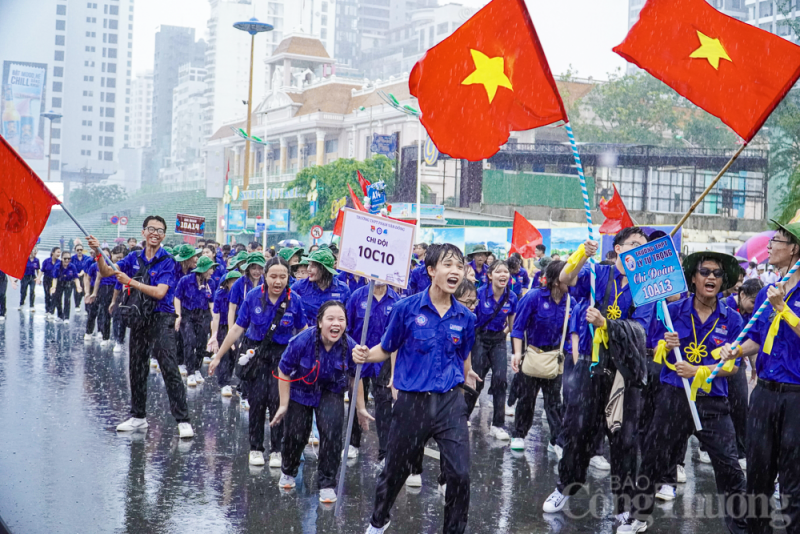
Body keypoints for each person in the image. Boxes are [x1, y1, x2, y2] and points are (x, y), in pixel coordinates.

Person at [353, 243, 478, 534]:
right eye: (448, 265)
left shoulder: (466, 318)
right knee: (394, 471)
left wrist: (468, 371)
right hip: (412, 404)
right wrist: (364, 354)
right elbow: (386, 348)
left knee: (460, 474)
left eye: (459, 266)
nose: (455, 271)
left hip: (450, 403)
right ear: (432, 270)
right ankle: (378, 520)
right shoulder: (405, 308)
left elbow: (462, 354)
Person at [620, 252, 747, 534]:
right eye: (705, 272)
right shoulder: (671, 312)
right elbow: (652, 347)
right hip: (674, 398)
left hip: (713, 402)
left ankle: (741, 527)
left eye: (717, 273)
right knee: (654, 460)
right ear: (693, 278)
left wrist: (699, 372)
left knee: (729, 467)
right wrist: (665, 343)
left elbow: (732, 367)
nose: (711, 277)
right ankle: (638, 516)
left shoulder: (733, 319)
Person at [544, 228, 654, 522]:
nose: (639, 251)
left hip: (625, 374)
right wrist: (582, 253)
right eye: (633, 245)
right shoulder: (599, 275)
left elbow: (640, 330)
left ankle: (624, 506)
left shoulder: (645, 285)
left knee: (625, 441)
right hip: (592, 368)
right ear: (618, 249)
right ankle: (565, 487)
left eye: (643, 247)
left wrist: (607, 324)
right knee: (577, 430)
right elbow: (566, 279)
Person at [721, 221, 800, 534]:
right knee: (758, 473)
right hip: (765, 394)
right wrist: (735, 350)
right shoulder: (769, 290)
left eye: (777, 240)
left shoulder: (781, 297)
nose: (769, 245)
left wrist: (786, 310)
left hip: (796, 396)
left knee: (793, 477)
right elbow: (756, 336)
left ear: (794, 248)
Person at [87, 216, 194, 439]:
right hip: (138, 318)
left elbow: (160, 292)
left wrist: (130, 281)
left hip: (161, 317)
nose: (155, 233)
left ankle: (182, 420)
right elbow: (107, 272)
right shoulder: (133, 257)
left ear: (163, 235)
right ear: (144, 232)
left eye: (160, 230)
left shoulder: (167, 261)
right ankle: (138, 417)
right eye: (151, 229)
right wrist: (98, 253)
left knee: (169, 367)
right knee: (137, 367)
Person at [210, 256, 306, 467]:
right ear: (265, 276)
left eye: (283, 276)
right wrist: (218, 355)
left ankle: (277, 450)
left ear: (288, 277)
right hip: (256, 354)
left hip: (283, 355)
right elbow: (237, 327)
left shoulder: (294, 300)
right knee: (257, 401)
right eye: (273, 276)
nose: (278, 281)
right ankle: (255, 447)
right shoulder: (253, 296)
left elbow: (303, 331)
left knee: (278, 401)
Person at [270, 300, 364, 503]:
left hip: (331, 391)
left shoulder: (350, 346)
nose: (336, 324)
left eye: (341, 319)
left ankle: (327, 483)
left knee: (331, 434)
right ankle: (288, 471)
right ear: (320, 322)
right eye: (330, 319)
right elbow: (284, 370)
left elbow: (356, 377)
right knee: (296, 434)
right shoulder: (302, 340)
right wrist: (284, 404)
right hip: (300, 390)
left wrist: (361, 408)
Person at [510, 260, 572, 452]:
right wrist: (517, 353)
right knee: (526, 399)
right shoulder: (534, 297)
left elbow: (572, 334)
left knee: (554, 403)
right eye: (567, 277)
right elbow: (518, 328)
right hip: (533, 356)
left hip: (555, 358)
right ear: (555, 280)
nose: (571, 281)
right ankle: (519, 434)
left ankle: (556, 441)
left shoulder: (571, 301)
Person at [346, 279, 401, 461]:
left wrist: (395, 370)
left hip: (383, 359)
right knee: (356, 400)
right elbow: (348, 328)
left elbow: (397, 337)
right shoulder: (356, 297)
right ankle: (353, 443)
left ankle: (384, 451)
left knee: (384, 404)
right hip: (360, 356)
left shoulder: (396, 301)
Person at [465, 260, 516, 440]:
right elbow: (470, 321)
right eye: (499, 272)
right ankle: (464, 416)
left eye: (506, 272)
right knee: (476, 379)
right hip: (479, 338)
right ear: (489, 276)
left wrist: (508, 339)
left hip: (499, 340)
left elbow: (512, 325)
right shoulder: (479, 294)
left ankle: (498, 425)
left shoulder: (512, 297)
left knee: (500, 379)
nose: (503, 275)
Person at [175, 256, 218, 387]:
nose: (212, 271)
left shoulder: (211, 283)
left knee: (201, 342)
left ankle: (197, 368)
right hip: (187, 313)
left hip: (203, 314)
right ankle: (190, 372)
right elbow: (177, 298)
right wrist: (178, 315)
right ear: (203, 269)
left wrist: (215, 319)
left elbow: (212, 303)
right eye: (210, 269)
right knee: (189, 341)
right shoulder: (185, 281)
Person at [291, 249, 351, 326]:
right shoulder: (299, 287)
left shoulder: (343, 290)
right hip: (308, 335)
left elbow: (348, 319)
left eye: (313, 266)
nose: (308, 269)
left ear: (324, 269)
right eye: (309, 265)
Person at [207, 270, 242, 397]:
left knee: (237, 355)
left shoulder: (243, 294)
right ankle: (224, 383)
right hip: (223, 326)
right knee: (224, 355)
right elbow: (215, 316)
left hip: (238, 326)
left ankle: (240, 384)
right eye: (233, 281)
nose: (235, 284)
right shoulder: (220, 294)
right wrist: (214, 335)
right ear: (227, 283)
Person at [53, 250, 82, 323]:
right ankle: (60, 315)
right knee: (58, 299)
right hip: (59, 283)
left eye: (69, 259)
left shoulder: (72, 266)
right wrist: (54, 287)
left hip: (68, 283)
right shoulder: (57, 266)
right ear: (62, 258)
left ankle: (66, 317)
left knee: (67, 299)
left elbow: (76, 277)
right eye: (65, 258)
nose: (67, 260)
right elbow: (55, 278)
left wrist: (78, 286)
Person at [71, 244, 93, 314]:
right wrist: (76, 273)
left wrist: (82, 272)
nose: (79, 251)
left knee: (86, 291)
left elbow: (87, 267)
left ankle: (87, 307)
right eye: (78, 250)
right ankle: (77, 305)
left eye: (81, 250)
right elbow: (71, 267)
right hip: (76, 276)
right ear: (75, 250)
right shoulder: (72, 258)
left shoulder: (86, 258)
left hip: (85, 276)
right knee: (77, 291)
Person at [41, 246, 61, 317]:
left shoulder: (60, 262)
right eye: (58, 252)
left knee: (54, 295)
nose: (59, 254)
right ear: (53, 253)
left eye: (60, 252)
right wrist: (38, 278)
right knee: (47, 295)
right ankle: (47, 309)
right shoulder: (46, 261)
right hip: (47, 279)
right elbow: (42, 271)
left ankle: (52, 311)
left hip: (55, 280)